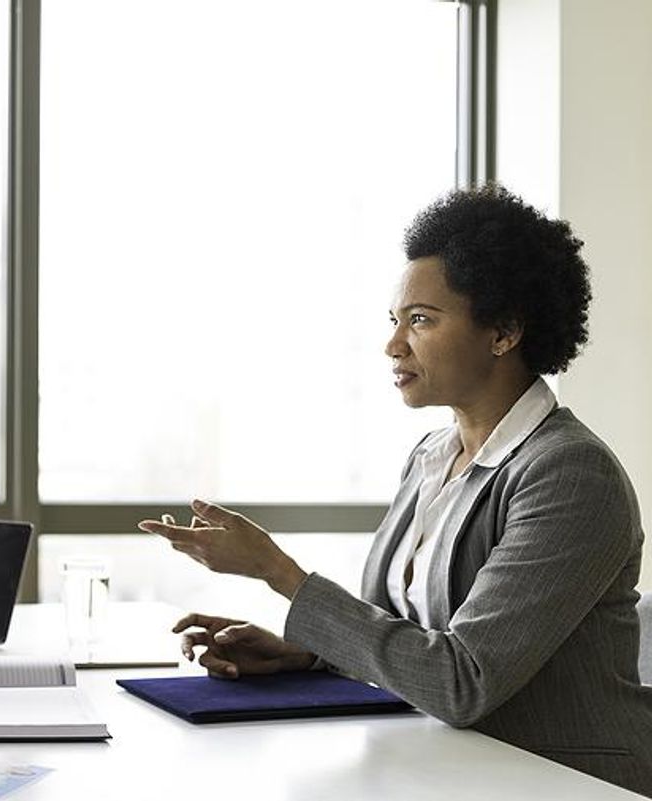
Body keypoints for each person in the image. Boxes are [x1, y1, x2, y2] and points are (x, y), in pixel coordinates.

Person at [139, 185, 652, 796]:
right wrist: (306, 656)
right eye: (395, 320)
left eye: (421, 321)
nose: (393, 344)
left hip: (562, 782)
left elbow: (462, 682)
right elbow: (408, 633)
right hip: (447, 765)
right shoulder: (432, 457)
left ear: (504, 332)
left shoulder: (568, 475)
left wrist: (279, 572)